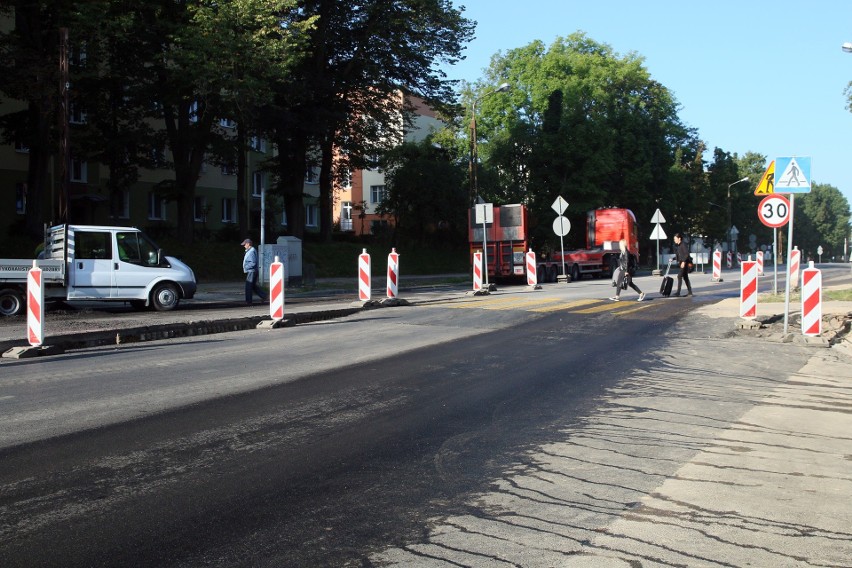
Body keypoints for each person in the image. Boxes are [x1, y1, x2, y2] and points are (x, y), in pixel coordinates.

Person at [241, 238, 268, 305]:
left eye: (244, 244)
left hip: (251, 271)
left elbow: (253, 262)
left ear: (248, 244)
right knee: (253, 286)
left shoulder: (251, 251)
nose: (244, 246)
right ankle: (264, 296)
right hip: (253, 271)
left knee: (248, 286)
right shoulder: (250, 251)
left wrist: (246, 267)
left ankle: (248, 301)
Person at [672, 232, 693, 297]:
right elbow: (680, 255)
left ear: (679, 238)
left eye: (675, 239)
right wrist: (673, 259)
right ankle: (690, 292)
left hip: (685, 263)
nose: (674, 240)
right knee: (685, 277)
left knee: (679, 276)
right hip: (682, 262)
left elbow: (686, 254)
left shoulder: (683, 245)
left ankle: (678, 292)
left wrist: (683, 262)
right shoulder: (679, 246)